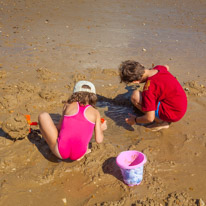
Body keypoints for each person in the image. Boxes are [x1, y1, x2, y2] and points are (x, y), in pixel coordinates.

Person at [38, 80, 107, 160]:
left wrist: (49, 128)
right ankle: (83, 153)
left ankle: (48, 141)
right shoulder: (96, 113)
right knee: (85, 132)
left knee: (43, 116)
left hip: (60, 152)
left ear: (75, 93)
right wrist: (101, 129)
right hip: (79, 154)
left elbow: (59, 127)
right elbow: (99, 140)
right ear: (93, 96)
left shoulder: (68, 105)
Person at [119, 60, 187, 131]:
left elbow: (149, 118)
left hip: (173, 114)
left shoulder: (149, 89)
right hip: (181, 104)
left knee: (135, 96)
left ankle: (161, 122)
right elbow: (166, 67)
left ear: (135, 81)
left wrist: (135, 120)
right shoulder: (159, 68)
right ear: (141, 65)